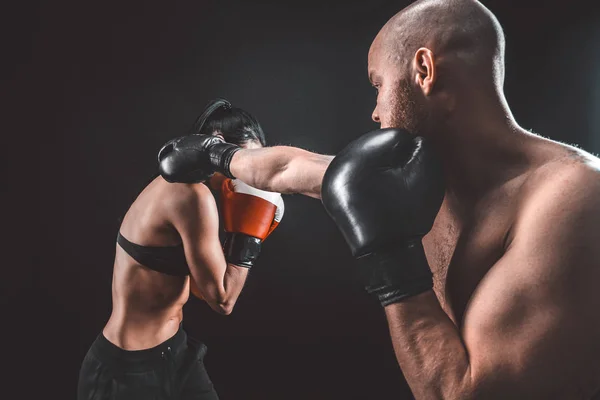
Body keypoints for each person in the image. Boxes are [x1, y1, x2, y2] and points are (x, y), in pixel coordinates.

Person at [157, 0, 600, 398]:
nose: (374, 113)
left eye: (377, 85)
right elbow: (288, 168)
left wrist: (392, 263)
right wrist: (215, 153)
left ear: (423, 71)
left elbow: (462, 393)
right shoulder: (418, 179)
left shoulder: (568, 200)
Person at [77, 99, 284, 400]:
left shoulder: (191, 191)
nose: (249, 177)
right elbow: (222, 300)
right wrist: (248, 238)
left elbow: (199, 287)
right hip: (125, 372)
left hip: (176, 353)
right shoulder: (190, 197)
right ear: (217, 147)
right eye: (244, 163)